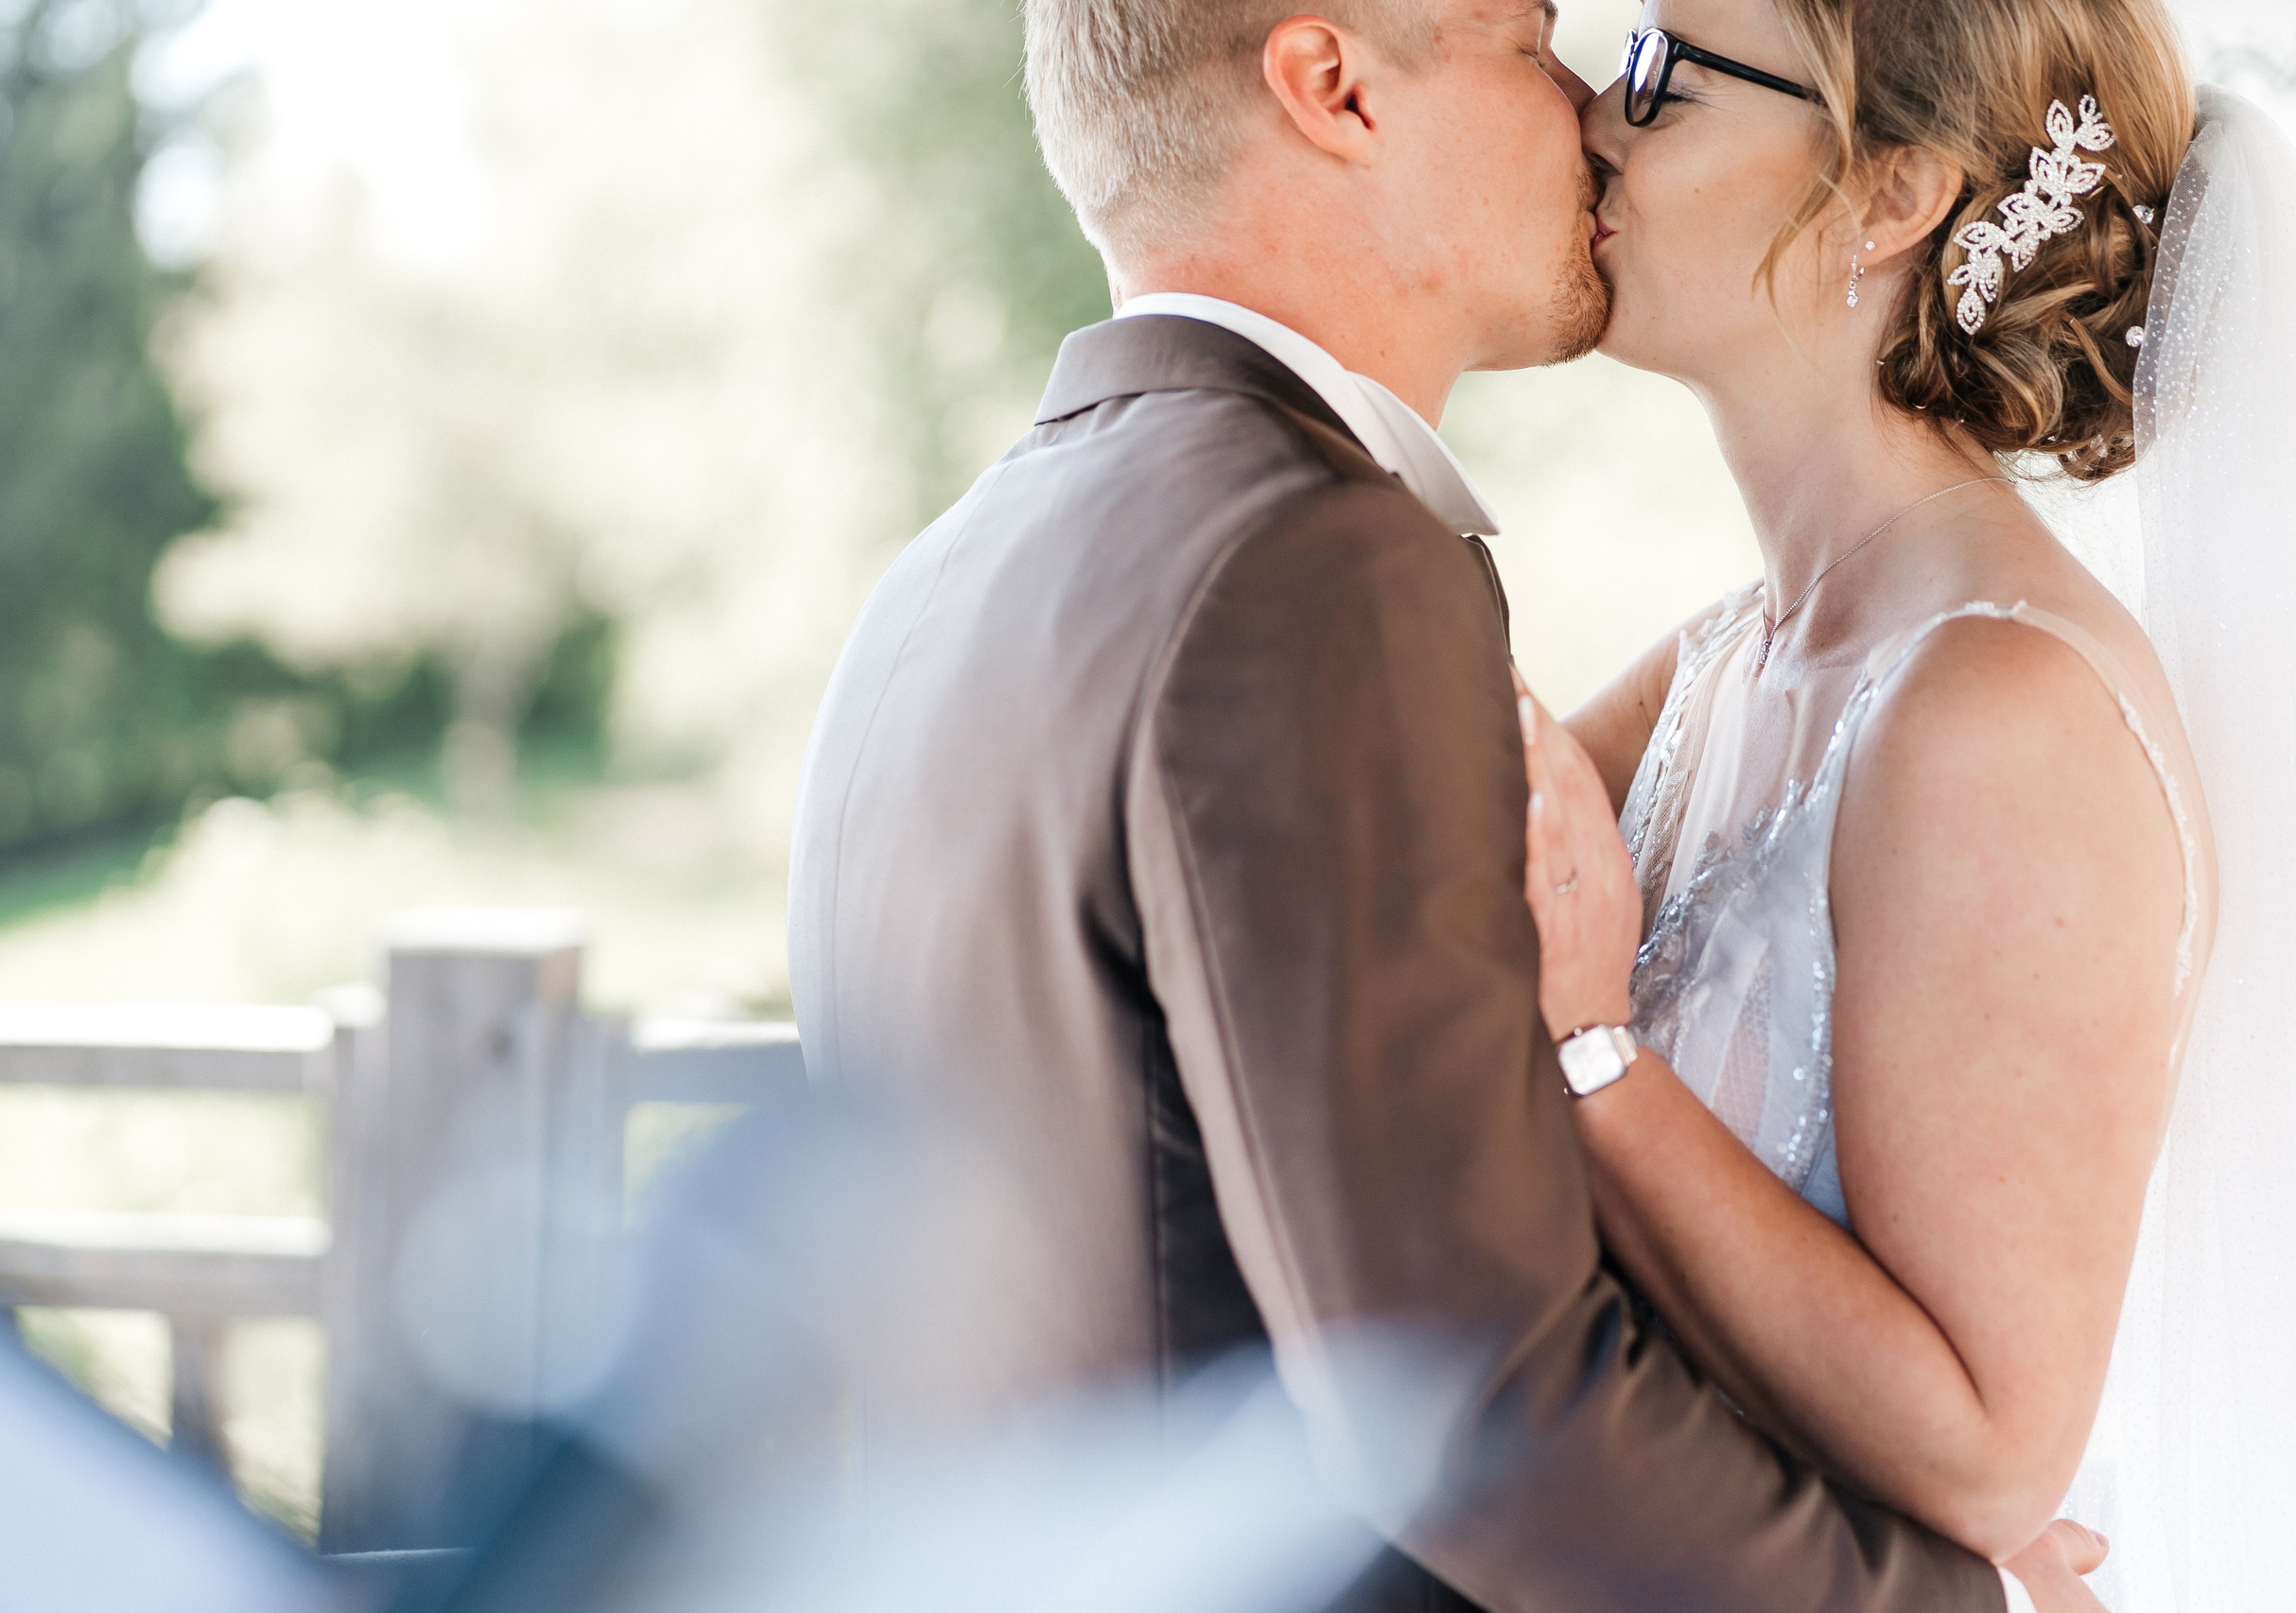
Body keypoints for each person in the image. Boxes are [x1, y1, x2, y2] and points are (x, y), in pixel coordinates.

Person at [790, 1, 2096, 1607]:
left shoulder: (941, 585)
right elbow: (1467, 1401)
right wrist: (1955, 1595)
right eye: (1529, 41)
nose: (1586, 100)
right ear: (1334, 87)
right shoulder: (1307, 571)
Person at [1521, 1, 2296, 1607]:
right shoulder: (1721, 660)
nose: (1592, 114)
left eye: (1667, 76)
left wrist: (1595, 1055)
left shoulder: (2001, 710)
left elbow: (1990, 1450)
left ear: (1892, 194)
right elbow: (1412, 895)